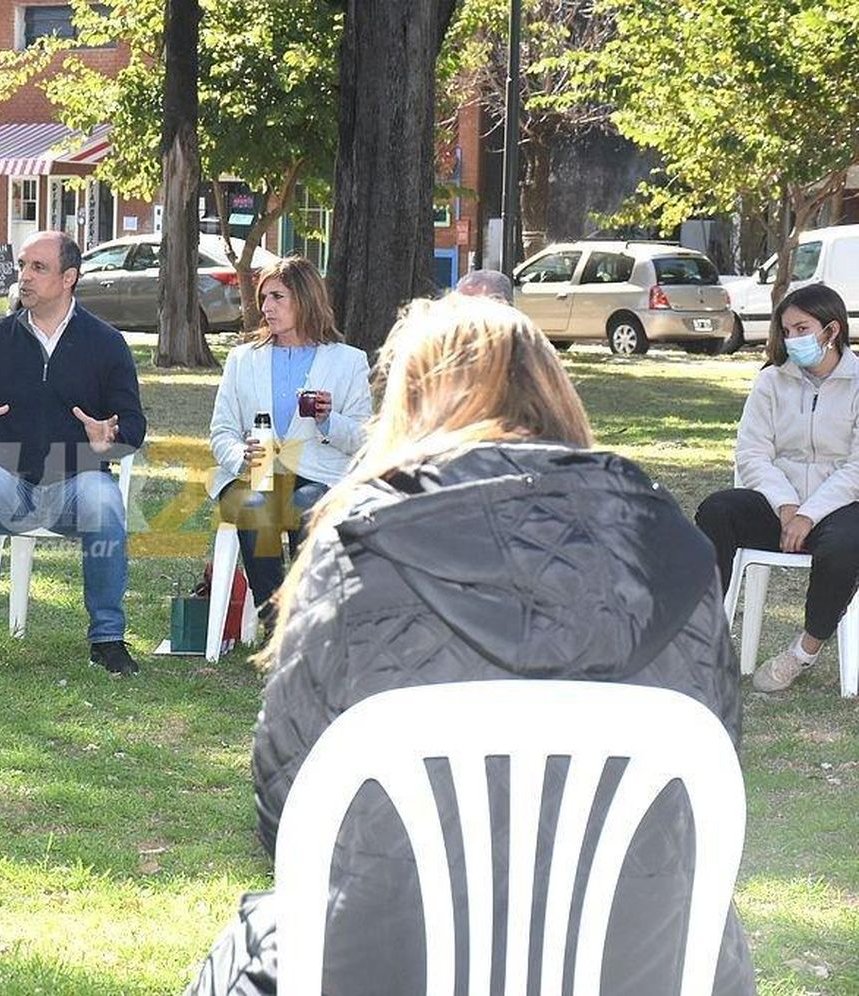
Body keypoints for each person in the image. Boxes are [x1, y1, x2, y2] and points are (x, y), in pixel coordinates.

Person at [187, 294, 752, 996]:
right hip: (636, 955)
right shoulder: (676, 546)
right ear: (555, 394)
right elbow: (717, 760)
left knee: (243, 951)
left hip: (394, 950)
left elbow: (285, 805)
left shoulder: (357, 547)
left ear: (410, 404)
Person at [0, 230, 147, 675]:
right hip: (8, 482)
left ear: (69, 278)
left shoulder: (105, 343)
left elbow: (133, 425)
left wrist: (111, 436)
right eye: (23, 265)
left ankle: (107, 640)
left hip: (79, 483)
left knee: (106, 503)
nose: (24, 276)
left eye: (38, 268)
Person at [695, 283, 859, 692]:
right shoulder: (771, 381)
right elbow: (751, 454)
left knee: (845, 546)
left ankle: (803, 651)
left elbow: (857, 467)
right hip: (779, 505)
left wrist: (809, 513)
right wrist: (787, 506)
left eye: (802, 328)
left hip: (838, 508)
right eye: (786, 330)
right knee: (717, 510)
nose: (792, 339)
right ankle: (702, 641)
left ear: (831, 330)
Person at [207, 256, 371, 625]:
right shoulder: (242, 360)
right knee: (254, 507)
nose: (266, 307)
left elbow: (363, 439)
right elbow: (222, 431)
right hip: (259, 475)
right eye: (264, 298)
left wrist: (329, 420)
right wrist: (239, 457)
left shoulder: (348, 362)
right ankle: (276, 624)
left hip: (321, 474)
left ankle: (310, 622)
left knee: (308, 507)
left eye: (277, 297)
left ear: (305, 298)